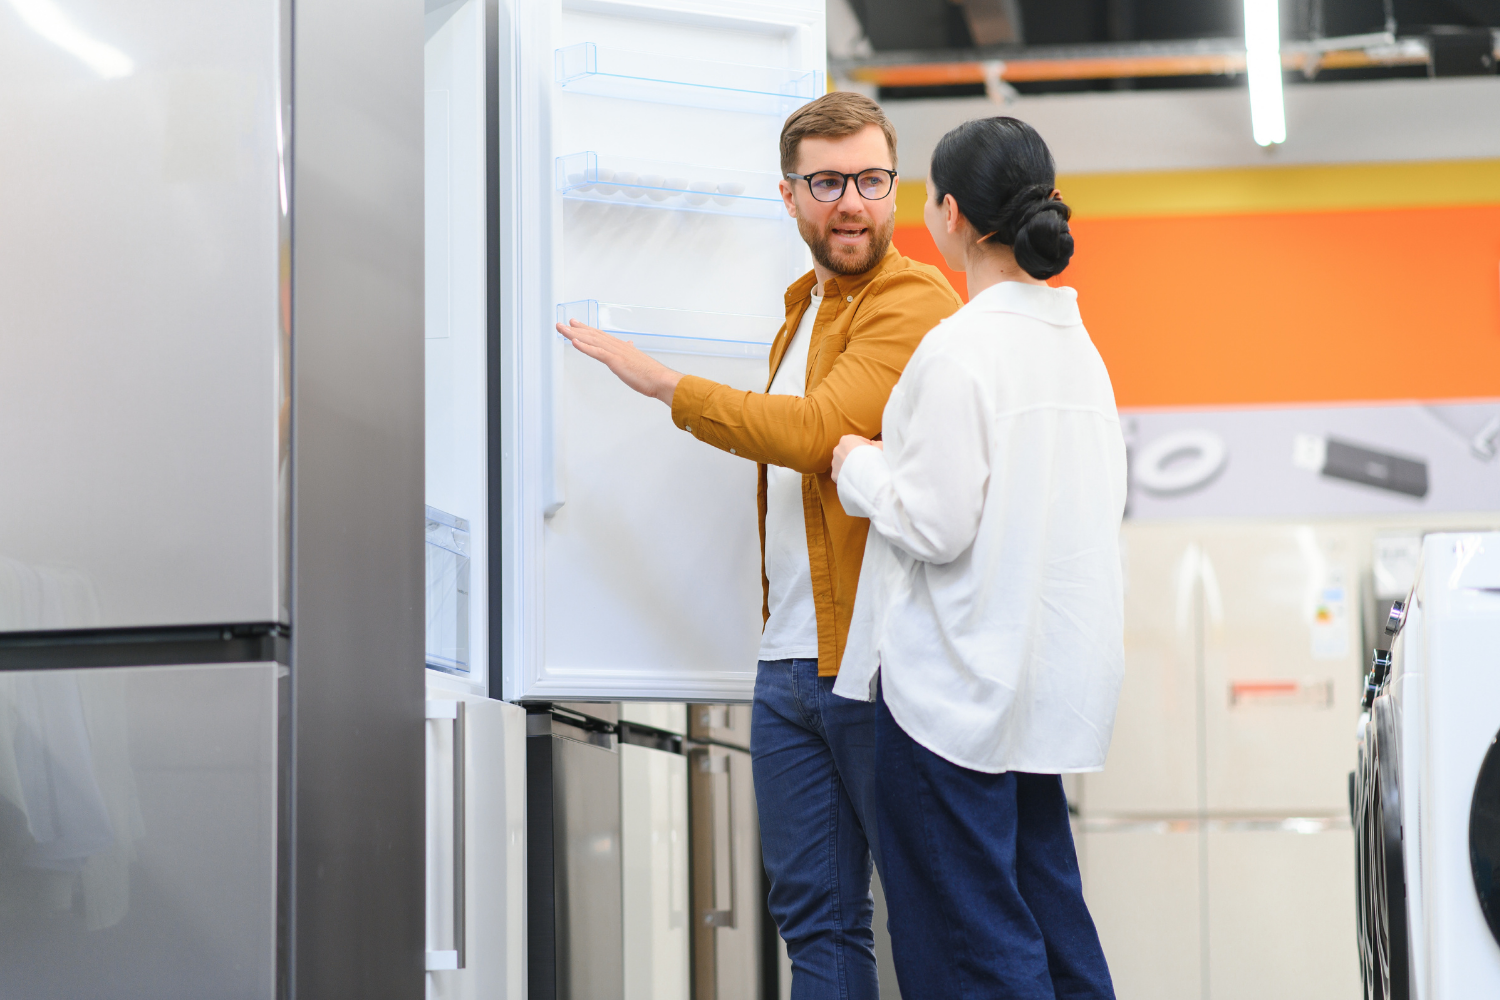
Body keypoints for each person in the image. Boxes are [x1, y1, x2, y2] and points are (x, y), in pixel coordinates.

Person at [556, 92, 962, 999]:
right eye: (827, 182)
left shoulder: (914, 299)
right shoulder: (800, 308)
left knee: (929, 918)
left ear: (893, 186)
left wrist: (663, 383)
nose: (851, 202)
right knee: (815, 923)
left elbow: (816, 432)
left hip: (873, 661)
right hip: (786, 668)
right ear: (789, 196)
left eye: (870, 179)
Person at [829, 116, 1126, 1000]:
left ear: (949, 212)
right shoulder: (1083, 354)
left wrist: (860, 467)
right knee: (1051, 925)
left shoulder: (960, 348)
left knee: (971, 948)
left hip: (951, 697)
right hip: (1040, 693)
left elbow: (936, 524)